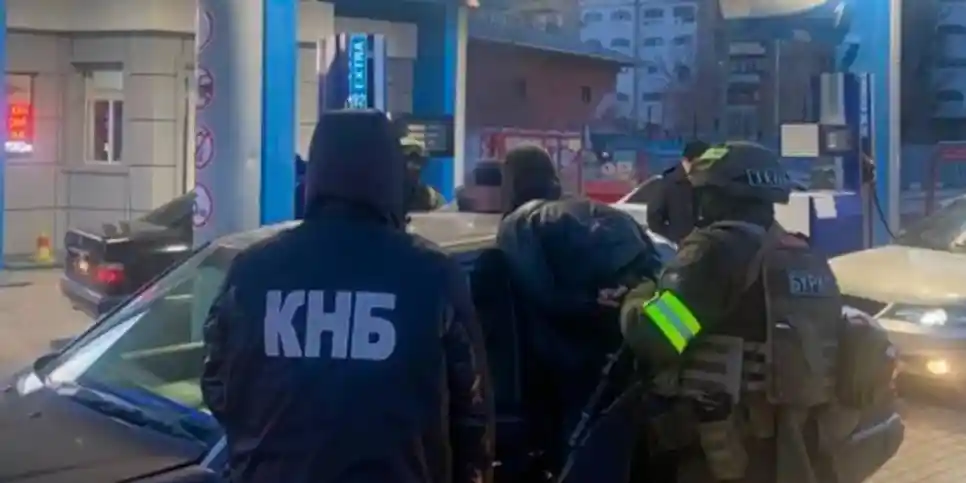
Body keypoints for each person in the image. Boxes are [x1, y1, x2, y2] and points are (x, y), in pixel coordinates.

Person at [201, 109, 495, 483]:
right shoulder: (431, 274)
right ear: (390, 176)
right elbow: (473, 414)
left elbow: (217, 385)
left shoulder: (253, 270)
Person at [614, 141, 903, 483]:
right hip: (791, 446)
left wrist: (639, 293)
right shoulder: (804, 255)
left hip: (717, 447)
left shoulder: (716, 252)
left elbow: (657, 336)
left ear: (717, 195)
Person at [492, 144, 664, 483]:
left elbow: (540, 292)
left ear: (511, 183)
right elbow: (658, 279)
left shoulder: (520, 224)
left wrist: (590, 305)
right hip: (632, 375)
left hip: (572, 383)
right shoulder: (607, 214)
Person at [646, 140, 709, 243]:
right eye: (699, 163)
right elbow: (654, 219)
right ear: (686, 161)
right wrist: (674, 238)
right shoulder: (670, 183)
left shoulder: (708, 181)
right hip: (680, 244)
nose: (702, 168)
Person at [403, 138, 446, 212]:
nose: (415, 166)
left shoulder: (433, 197)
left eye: (418, 160)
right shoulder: (386, 195)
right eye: (408, 159)